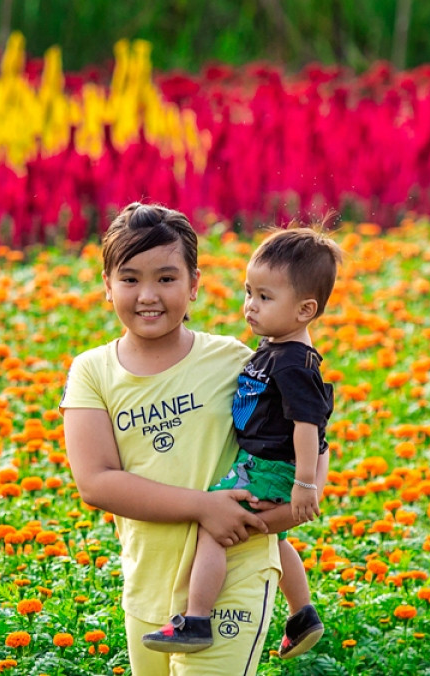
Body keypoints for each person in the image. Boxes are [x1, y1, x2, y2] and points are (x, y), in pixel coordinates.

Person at [62, 202, 327, 676]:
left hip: (236, 572)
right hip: (148, 578)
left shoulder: (233, 360)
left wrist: (295, 500)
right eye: (129, 279)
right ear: (107, 285)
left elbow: (307, 433)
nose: (148, 295)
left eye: (166, 278)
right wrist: (205, 507)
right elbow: (95, 483)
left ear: (195, 285)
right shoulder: (92, 372)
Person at [141, 224, 342, 660]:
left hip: (268, 466)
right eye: (249, 292)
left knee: (214, 528)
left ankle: (195, 619)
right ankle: (302, 613)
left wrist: (305, 485)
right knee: (271, 539)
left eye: (265, 298)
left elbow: (309, 427)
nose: (250, 306)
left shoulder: (294, 364)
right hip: (267, 464)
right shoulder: (276, 347)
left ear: (306, 309)